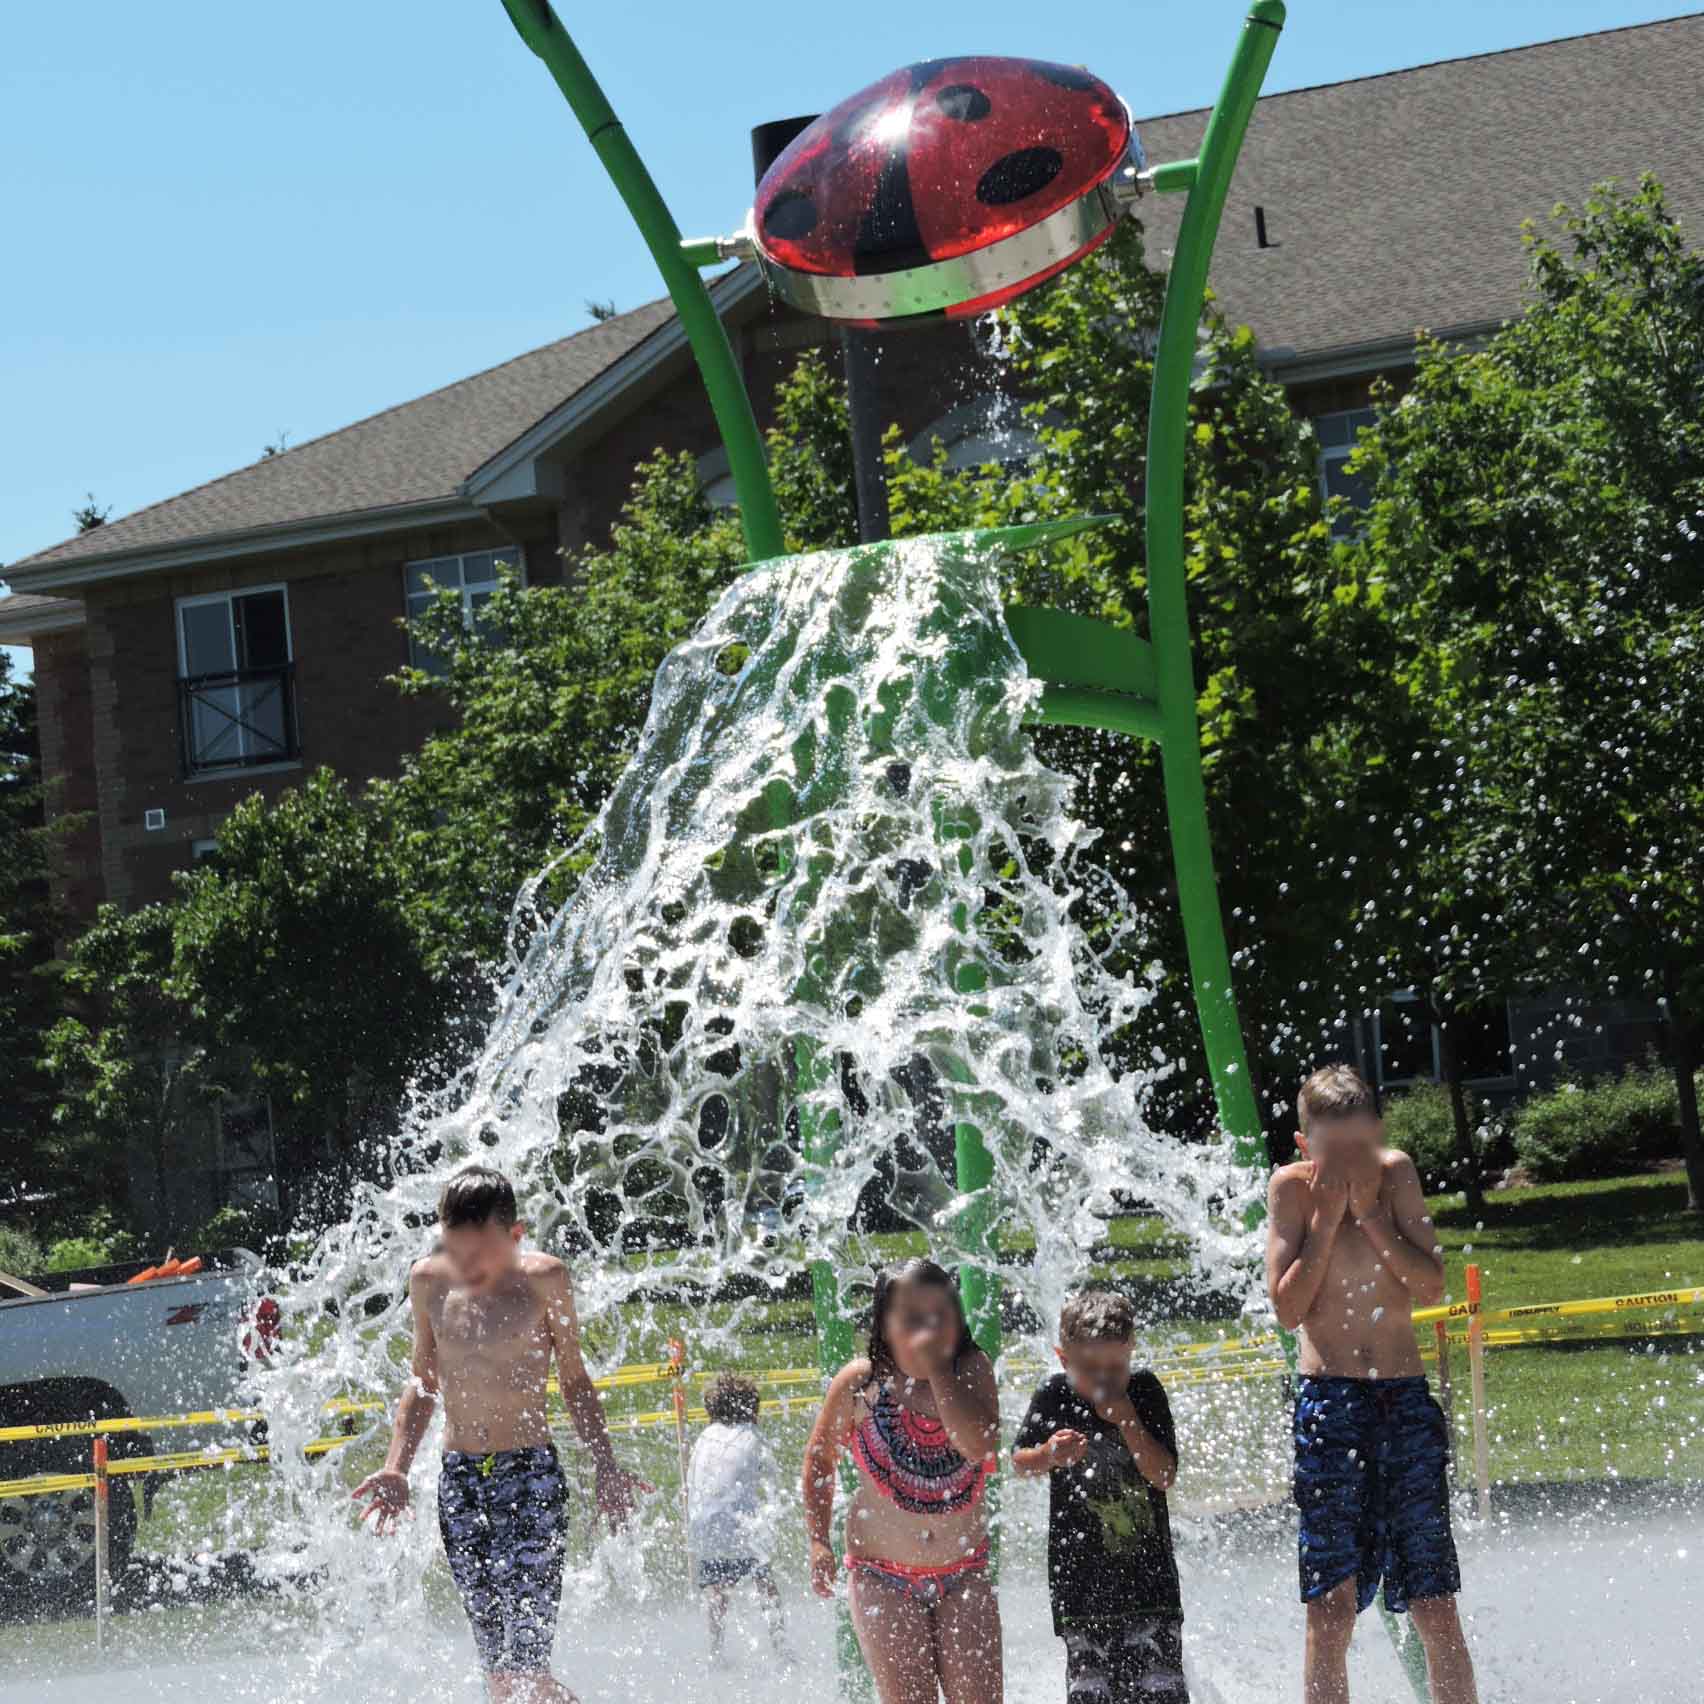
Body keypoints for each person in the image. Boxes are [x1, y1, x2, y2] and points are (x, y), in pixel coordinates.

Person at [351, 1164, 650, 1703]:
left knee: (530, 1670)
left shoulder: (544, 1279)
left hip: (531, 1475)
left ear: (515, 1236)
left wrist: (605, 1466)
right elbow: (422, 1383)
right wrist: (397, 1464)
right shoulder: (428, 1282)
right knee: (499, 1676)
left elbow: (575, 1382)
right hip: (461, 1482)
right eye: (456, 1249)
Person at [1266, 1063, 1478, 1704]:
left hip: (1403, 1401)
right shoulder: (1292, 1191)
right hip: (1331, 1404)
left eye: (1362, 1145)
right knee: (1331, 1605)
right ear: (1306, 1146)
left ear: (1379, 1135)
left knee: (1434, 1601)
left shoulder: (1397, 1175)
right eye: (1335, 1150)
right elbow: (1287, 1308)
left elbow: (1431, 1284)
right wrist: (1329, 1221)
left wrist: (1372, 1218)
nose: (1353, 1160)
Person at [802, 1257, 1003, 1704]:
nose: (928, 1330)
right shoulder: (861, 1384)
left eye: (940, 1317)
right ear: (883, 1327)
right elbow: (819, 1461)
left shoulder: (970, 1371)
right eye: (913, 1320)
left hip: (964, 1572)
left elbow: (979, 1448)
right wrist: (818, 1540)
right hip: (882, 1575)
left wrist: (937, 1373)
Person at [1012, 1289, 1187, 1704]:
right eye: (1092, 1369)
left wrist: (1129, 1422)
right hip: (1080, 1585)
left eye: (1116, 1367)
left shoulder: (1144, 1393)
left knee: (1160, 1689)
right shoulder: (1055, 1396)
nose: (1106, 1380)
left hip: (1151, 1586)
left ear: (1131, 1352)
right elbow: (1019, 1462)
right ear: (1063, 1359)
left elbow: (1163, 1475)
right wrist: (1049, 1454)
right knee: (1092, 1692)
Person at [686, 1372, 792, 1665]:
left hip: (704, 1528)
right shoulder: (752, 1436)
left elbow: (694, 1482)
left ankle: (716, 1651)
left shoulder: (704, 1437)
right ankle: (781, 1647)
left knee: (717, 1591)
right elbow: (772, 1477)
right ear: (752, 1409)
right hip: (738, 1530)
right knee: (765, 1581)